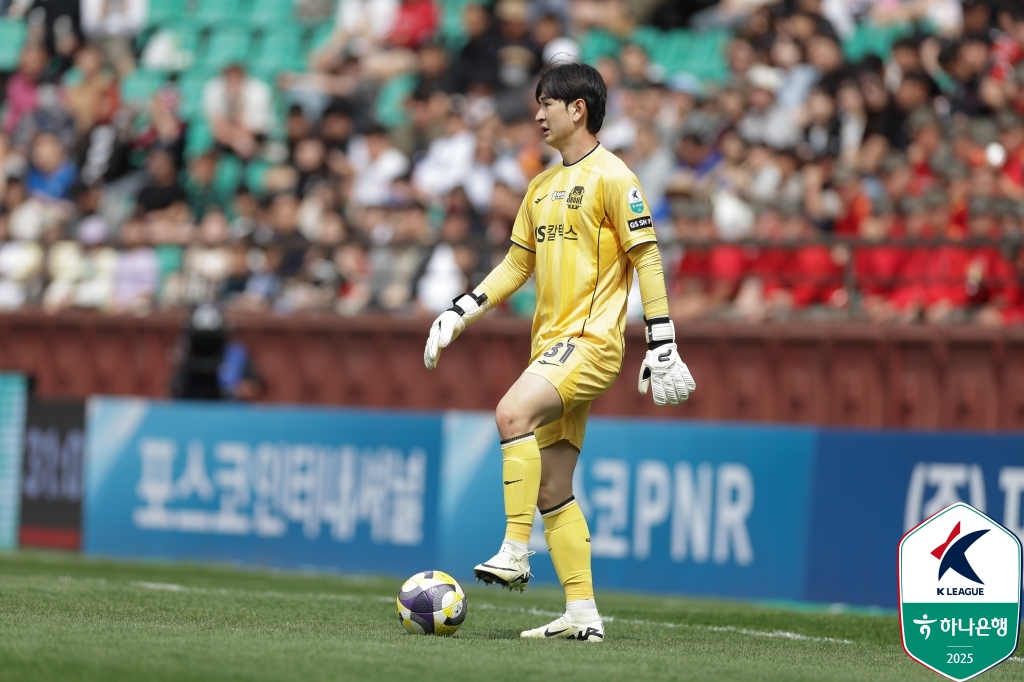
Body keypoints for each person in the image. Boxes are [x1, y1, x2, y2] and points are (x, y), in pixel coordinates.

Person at [422, 62, 695, 642]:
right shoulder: (540, 187)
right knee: (553, 487)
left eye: (547, 102)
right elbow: (516, 265)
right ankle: (582, 613)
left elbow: (646, 255)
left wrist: (662, 336)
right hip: (551, 347)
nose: (538, 113)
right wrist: (460, 310)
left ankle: (515, 549)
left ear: (578, 109)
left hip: (590, 343)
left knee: (510, 414)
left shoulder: (615, 177)